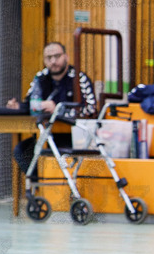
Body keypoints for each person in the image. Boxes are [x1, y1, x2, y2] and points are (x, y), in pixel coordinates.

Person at [7, 41, 96, 177]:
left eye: (57, 56)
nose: (53, 61)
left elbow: (91, 109)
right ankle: (40, 188)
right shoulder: (40, 77)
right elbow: (30, 103)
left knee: (55, 153)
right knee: (21, 150)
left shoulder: (79, 78)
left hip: (71, 137)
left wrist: (58, 110)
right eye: (49, 58)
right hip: (44, 134)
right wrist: (18, 106)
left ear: (66, 57)